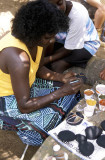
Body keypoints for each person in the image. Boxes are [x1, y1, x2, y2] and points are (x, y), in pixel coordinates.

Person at [0, 0, 83, 146]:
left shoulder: (37, 41)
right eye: (47, 37)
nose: (51, 41)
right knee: (48, 119)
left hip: (24, 86)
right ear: (33, 32)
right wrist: (61, 91)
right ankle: (28, 132)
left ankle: (56, 118)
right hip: (6, 99)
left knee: (73, 90)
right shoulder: (17, 57)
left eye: (53, 36)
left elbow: (37, 68)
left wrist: (60, 77)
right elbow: (24, 106)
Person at [44, 0, 100, 73]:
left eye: (59, 3)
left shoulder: (78, 14)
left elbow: (69, 49)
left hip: (85, 44)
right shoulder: (44, 11)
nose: (57, 8)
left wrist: (46, 60)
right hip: (63, 41)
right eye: (51, 6)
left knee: (55, 66)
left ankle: (60, 82)